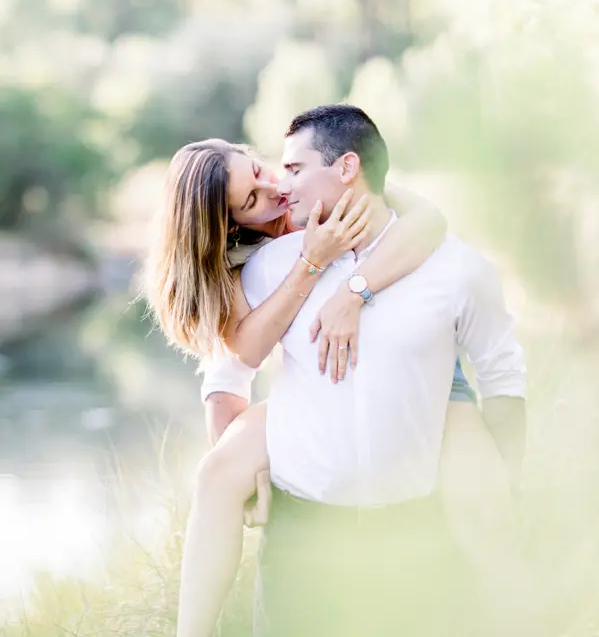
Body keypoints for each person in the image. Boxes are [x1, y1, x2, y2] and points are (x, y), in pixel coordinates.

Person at [144, 112, 522, 637]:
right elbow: (232, 372)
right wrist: (254, 480)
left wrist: (354, 291)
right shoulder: (248, 264)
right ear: (232, 225)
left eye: (260, 170)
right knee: (217, 474)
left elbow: (424, 219)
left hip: (433, 371)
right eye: (252, 198)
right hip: (324, 382)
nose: (275, 188)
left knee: (482, 493)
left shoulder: (326, 197)